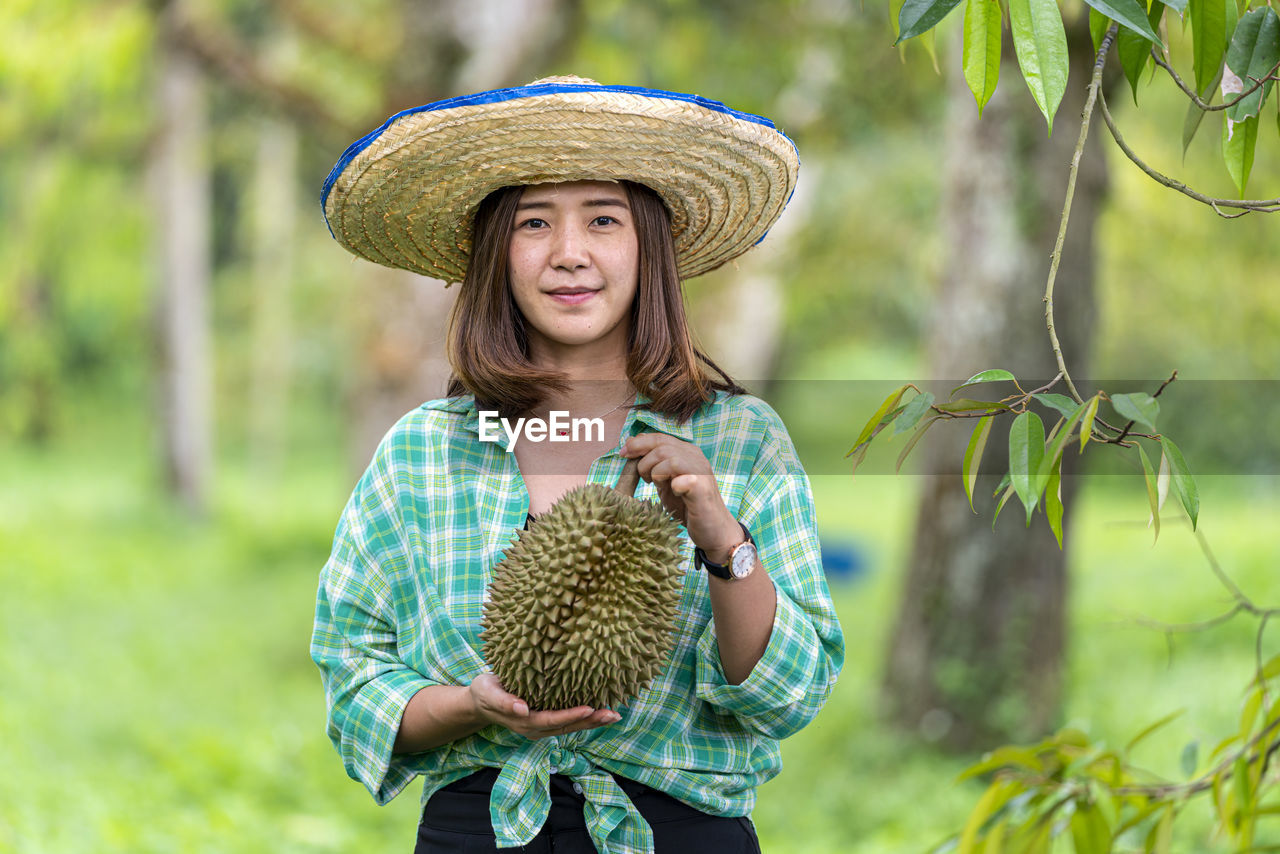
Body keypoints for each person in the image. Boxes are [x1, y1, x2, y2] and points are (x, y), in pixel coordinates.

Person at [311, 76, 844, 854]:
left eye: (604, 219)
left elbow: (787, 696)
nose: (569, 254)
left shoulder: (742, 440)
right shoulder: (424, 451)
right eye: (534, 224)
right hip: (478, 830)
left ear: (647, 247)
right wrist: (474, 705)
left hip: (678, 831)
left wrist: (720, 535)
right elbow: (354, 678)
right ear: (499, 253)